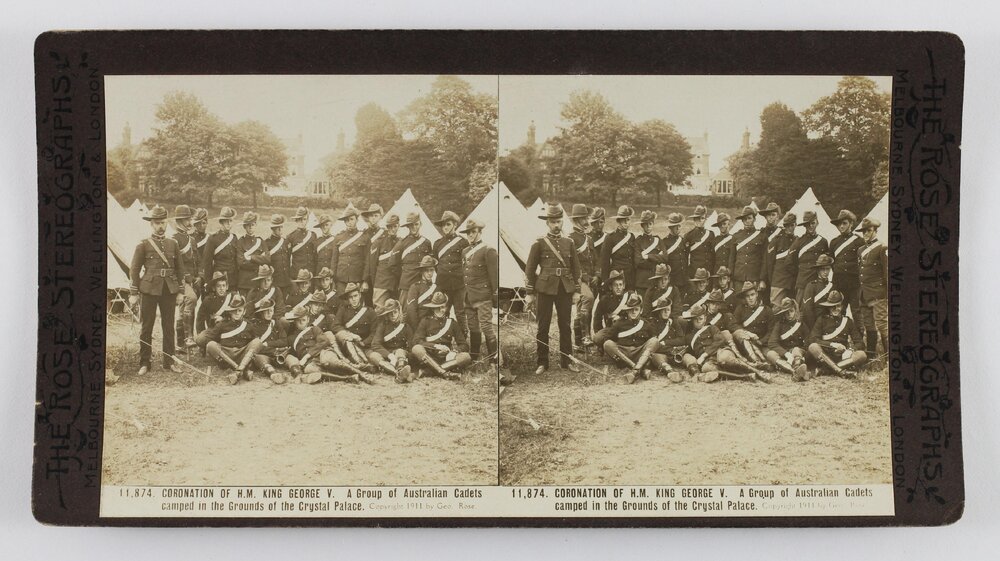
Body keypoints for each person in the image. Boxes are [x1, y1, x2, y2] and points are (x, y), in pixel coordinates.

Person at [129, 204, 186, 375]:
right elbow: (134, 269)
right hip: (148, 290)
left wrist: (181, 291)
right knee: (147, 326)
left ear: (166, 223)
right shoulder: (143, 244)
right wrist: (133, 292)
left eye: (163, 223)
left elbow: (180, 269)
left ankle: (169, 362)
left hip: (169, 290)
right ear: (151, 224)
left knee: (169, 326)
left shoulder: (173, 243)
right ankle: (144, 362)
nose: (160, 226)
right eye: (157, 223)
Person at [524, 204, 582, 375]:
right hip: (544, 289)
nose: (557, 225)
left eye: (559, 221)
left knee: (565, 325)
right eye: (553, 222)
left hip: (565, 288)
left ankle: (567, 360)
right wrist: (529, 292)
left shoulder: (569, 242)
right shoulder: (539, 243)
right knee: (543, 326)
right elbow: (530, 269)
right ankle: (542, 362)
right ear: (547, 223)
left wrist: (577, 290)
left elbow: (576, 269)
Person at [682, 304, 770, 383]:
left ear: (705, 318)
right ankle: (744, 377)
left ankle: (758, 372)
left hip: (721, 351)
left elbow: (719, 341)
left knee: (723, 359)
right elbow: (690, 351)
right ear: (691, 320)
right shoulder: (689, 337)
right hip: (709, 360)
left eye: (700, 318)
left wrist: (704, 354)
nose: (698, 321)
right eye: (695, 319)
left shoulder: (711, 328)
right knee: (706, 368)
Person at [281, 305, 369, 384]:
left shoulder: (314, 329)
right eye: (298, 321)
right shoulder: (291, 338)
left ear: (308, 319)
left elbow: (324, 341)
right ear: (294, 322)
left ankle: (361, 374)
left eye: (303, 320)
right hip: (310, 362)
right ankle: (347, 378)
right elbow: (292, 354)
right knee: (310, 370)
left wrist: (307, 355)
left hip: (323, 353)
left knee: (329, 362)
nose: (301, 323)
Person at [194, 294, 262, 385]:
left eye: (240, 310)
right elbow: (207, 339)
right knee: (211, 345)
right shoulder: (222, 324)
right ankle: (240, 369)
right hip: (226, 355)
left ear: (244, 312)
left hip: (241, 354)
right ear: (230, 312)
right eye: (234, 311)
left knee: (258, 342)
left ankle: (238, 370)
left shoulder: (249, 325)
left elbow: (254, 344)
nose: (237, 313)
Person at [593, 294, 659, 384]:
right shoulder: (619, 323)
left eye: (636, 309)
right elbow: (607, 339)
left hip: (638, 353)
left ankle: (635, 370)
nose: (634, 312)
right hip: (623, 354)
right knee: (608, 344)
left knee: (654, 341)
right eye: (631, 310)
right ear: (627, 311)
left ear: (641, 310)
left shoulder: (646, 324)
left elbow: (652, 340)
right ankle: (640, 368)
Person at [460, 219, 499, 362]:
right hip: (468, 297)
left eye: (473, 232)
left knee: (487, 327)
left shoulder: (488, 250)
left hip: (483, 297)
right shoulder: (465, 251)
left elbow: (494, 277)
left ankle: (493, 362)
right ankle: (474, 359)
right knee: (473, 328)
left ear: (480, 232)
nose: (470, 235)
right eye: (468, 232)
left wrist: (494, 296)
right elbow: (465, 274)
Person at [411, 292, 473, 379]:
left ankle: (428, 372)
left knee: (466, 357)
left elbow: (464, 345)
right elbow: (416, 341)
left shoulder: (452, 323)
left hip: (447, 358)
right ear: (432, 308)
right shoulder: (425, 321)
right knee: (416, 348)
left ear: (446, 307)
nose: (440, 310)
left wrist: (454, 351)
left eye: (442, 307)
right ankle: (445, 373)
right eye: (437, 308)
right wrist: (436, 346)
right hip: (429, 357)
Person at [808, 290, 868, 377]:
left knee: (862, 355)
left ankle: (826, 370)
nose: (836, 309)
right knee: (813, 346)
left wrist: (850, 350)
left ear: (842, 306)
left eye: (838, 306)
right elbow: (813, 339)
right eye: (832, 306)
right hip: (825, 356)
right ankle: (841, 371)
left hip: (842, 357)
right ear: (828, 307)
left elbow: (860, 342)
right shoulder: (821, 319)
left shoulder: (847, 321)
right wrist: (832, 344)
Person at [432, 210, 470, 341]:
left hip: (459, 284)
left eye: (448, 224)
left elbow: (466, 262)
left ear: (455, 224)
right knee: (443, 312)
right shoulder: (437, 244)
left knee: (460, 313)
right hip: (443, 284)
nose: (445, 228)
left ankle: (462, 341)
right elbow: (436, 264)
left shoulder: (463, 242)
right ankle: (444, 339)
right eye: (443, 225)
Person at [857, 217, 888, 355]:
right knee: (869, 325)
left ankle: (889, 357)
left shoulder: (882, 248)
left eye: (868, 231)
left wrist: (887, 294)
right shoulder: (860, 250)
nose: (866, 234)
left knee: (882, 324)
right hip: (864, 294)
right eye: (863, 231)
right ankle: (870, 356)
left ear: (875, 231)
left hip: (878, 293)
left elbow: (887, 273)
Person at [567, 204, 597, 349]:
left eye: (587, 218)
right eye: (584, 218)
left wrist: (596, 273)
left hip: (591, 278)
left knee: (584, 310)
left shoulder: (589, 238)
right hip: (578, 279)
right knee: (588, 299)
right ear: (577, 220)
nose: (587, 221)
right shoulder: (570, 238)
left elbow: (595, 259)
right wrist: (583, 276)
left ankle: (578, 342)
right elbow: (572, 262)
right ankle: (585, 335)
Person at [368, 299, 415, 382]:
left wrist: (406, 357)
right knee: (373, 355)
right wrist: (389, 355)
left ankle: (401, 370)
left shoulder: (406, 327)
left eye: (395, 312)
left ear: (399, 312)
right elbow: (375, 344)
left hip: (402, 357)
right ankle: (398, 374)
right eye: (390, 313)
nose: (393, 315)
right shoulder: (382, 326)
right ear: (387, 315)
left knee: (400, 351)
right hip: (387, 356)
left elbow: (411, 346)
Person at [172, 205, 199, 348]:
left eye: (190, 219)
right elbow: (174, 264)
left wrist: (198, 276)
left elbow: (197, 260)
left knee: (185, 312)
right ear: (181, 220)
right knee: (192, 299)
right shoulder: (174, 239)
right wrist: (186, 277)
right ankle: (188, 336)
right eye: (188, 219)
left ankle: (180, 344)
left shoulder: (191, 239)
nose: (190, 222)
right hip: (181, 280)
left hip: (193, 280)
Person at [764, 297, 810, 380]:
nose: (789, 314)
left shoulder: (801, 325)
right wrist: (786, 354)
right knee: (770, 354)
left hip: (798, 355)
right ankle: (794, 372)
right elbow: (772, 342)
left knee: (796, 349)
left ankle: (797, 369)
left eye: (791, 311)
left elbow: (808, 342)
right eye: (786, 312)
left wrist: (802, 354)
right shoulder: (779, 325)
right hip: (785, 355)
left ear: (795, 311)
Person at [790, 210, 830, 304]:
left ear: (817, 223)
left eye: (813, 223)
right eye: (808, 224)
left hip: (818, 281)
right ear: (804, 225)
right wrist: (800, 272)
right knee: (800, 307)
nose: (811, 226)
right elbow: (790, 262)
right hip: (803, 281)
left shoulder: (823, 242)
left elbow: (826, 262)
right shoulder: (799, 242)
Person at [333, 282, 376, 369]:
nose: (353, 299)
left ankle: (363, 363)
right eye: (350, 297)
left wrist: (363, 343)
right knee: (343, 336)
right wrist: (350, 335)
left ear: (360, 295)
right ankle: (360, 363)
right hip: (348, 345)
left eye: (355, 296)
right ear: (348, 299)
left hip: (364, 345)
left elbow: (375, 332)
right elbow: (335, 326)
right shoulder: (343, 310)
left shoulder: (370, 312)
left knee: (373, 357)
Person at [829, 209, 863, 320]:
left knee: (856, 310)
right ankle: (840, 335)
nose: (842, 226)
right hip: (839, 282)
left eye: (844, 223)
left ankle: (859, 335)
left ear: (851, 224)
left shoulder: (859, 241)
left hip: (854, 282)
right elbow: (832, 262)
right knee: (839, 309)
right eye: (839, 224)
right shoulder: (834, 242)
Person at [731, 281, 774, 365]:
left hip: (762, 343)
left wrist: (761, 341)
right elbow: (733, 325)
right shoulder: (740, 309)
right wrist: (747, 333)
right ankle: (756, 362)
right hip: (746, 344)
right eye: (747, 296)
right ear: (744, 298)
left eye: (752, 295)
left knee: (770, 357)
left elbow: (771, 330)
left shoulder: (766, 310)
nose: (750, 298)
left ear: (757, 294)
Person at [393, 211, 433, 301]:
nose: (414, 227)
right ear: (408, 226)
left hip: (423, 285)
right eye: (411, 225)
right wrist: (404, 275)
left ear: (420, 224)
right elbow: (393, 265)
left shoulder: (426, 243)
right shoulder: (402, 244)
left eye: (416, 224)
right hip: (407, 285)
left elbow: (430, 264)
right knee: (404, 312)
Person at [646, 297, 688, 382]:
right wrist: (671, 349)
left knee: (688, 357)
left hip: (674, 354)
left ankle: (695, 372)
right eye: (663, 310)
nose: (666, 312)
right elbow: (654, 345)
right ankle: (670, 372)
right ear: (659, 311)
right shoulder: (652, 324)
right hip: (663, 354)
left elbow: (682, 340)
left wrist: (666, 342)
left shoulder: (674, 322)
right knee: (656, 357)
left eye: (668, 310)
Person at [248, 297, 288, 384]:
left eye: (271, 310)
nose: (269, 313)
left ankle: (298, 374)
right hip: (265, 355)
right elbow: (257, 347)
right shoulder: (255, 325)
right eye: (266, 311)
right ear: (261, 312)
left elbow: (284, 341)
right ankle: (273, 374)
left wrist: (268, 343)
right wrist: (275, 349)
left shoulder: (276, 323)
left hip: (278, 355)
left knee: (290, 359)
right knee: (260, 359)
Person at [201, 207, 239, 293]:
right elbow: (207, 263)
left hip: (233, 278)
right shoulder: (213, 239)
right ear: (221, 222)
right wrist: (208, 282)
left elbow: (236, 260)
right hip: (219, 278)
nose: (229, 224)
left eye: (230, 221)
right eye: (226, 221)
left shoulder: (234, 238)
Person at [330, 205, 368, 291]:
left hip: (357, 278)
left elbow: (367, 260)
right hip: (341, 279)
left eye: (351, 219)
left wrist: (364, 280)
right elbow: (334, 260)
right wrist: (333, 278)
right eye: (346, 220)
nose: (349, 222)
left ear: (357, 220)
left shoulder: (364, 237)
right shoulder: (338, 238)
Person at [729, 205, 767, 288]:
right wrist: (731, 279)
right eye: (744, 219)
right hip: (739, 278)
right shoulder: (736, 236)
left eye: (749, 218)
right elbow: (732, 259)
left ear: (754, 219)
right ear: (742, 221)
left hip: (754, 278)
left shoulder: (761, 236)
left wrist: (762, 279)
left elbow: (765, 260)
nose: (747, 221)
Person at [369, 213, 401, 308]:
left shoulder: (401, 242)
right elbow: (372, 266)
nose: (392, 229)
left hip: (395, 284)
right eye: (390, 227)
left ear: (398, 226)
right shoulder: (379, 242)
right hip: (381, 283)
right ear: (387, 227)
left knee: (394, 311)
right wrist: (377, 282)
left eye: (395, 226)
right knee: (379, 311)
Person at [600, 205, 636, 289]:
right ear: (619, 221)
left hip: (631, 276)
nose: (626, 222)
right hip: (617, 277)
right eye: (624, 220)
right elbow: (605, 261)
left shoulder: (631, 237)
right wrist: (605, 281)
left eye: (628, 220)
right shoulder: (610, 238)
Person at [766, 212, 798, 306]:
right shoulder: (776, 240)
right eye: (786, 226)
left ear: (795, 225)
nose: (789, 228)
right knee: (776, 308)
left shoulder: (798, 240)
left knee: (791, 309)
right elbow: (770, 263)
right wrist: (773, 280)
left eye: (792, 225)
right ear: (784, 226)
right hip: (778, 281)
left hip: (792, 282)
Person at [236, 211, 271, 292]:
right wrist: (259, 264)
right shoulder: (240, 242)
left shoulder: (261, 241)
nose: (251, 227)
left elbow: (267, 259)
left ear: (255, 225)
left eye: (253, 224)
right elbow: (241, 262)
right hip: (245, 282)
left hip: (258, 281)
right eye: (248, 225)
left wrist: (251, 258)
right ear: (244, 226)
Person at [799, 254, 835, 330]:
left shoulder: (831, 286)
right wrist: (814, 328)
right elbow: (808, 310)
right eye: (823, 269)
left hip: (828, 323)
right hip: (814, 323)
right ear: (818, 270)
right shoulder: (811, 286)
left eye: (827, 269)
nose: (825, 272)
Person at [404, 255, 439, 330]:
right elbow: (411, 311)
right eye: (427, 270)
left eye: (431, 270)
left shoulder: (436, 288)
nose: (429, 273)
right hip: (417, 324)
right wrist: (418, 329)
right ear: (422, 271)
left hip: (431, 325)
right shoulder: (415, 287)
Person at [633, 210, 664, 293]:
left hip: (655, 280)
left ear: (653, 224)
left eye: (650, 224)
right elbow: (638, 262)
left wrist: (648, 257)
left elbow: (665, 258)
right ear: (642, 226)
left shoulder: (658, 240)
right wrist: (656, 259)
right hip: (642, 282)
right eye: (645, 224)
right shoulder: (638, 241)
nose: (648, 226)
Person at [591, 269, 631, 334]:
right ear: (610, 287)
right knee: (598, 338)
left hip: (627, 329)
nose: (618, 287)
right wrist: (599, 332)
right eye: (615, 285)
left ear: (624, 286)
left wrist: (621, 319)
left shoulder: (629, 296)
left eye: (620, 285)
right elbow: (597, 319)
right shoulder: (605, 300)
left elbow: (635, 315)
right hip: (611, 330)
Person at [660, 212, 690, 291]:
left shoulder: (683, 240)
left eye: (679, 226)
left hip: (684, 278)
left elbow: (686, 257)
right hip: (673, 279)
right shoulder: (664, 242)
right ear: (670, 227)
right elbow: (664, 261)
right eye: (675, 226)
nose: (678, 228)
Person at [265, 214, 292, 294]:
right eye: (277, 227)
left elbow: (288, 258)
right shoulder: (267, 243)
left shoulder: (285, 241)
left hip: (286, 279)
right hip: (275, 280)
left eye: (281, 227)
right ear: (272, 228)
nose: (280, 229)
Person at [685, 205, 715, 274]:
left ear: (705, 219)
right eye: (696, 218)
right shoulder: (688, 236)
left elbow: (713, 254)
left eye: (701, 218)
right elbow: (685, 257)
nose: (698, 221)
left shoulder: (710, 234)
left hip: (708, 270)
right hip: (695, 271)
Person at [287, 207, 317, 277]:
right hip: (297, 273)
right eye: (299, 219)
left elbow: (315, 255)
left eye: (304, 219)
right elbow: (287, 259)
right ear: (296, 220)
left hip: (310, 273)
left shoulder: (313, 235)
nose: (302, 222)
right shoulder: (290, 237)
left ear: (307, 220)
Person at [314, 213, 338, 278]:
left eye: (327, 225)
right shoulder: (317, 241)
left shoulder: (335, 240)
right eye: (322, 225)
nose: (325, 227)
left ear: (331, 225)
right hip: (319, 272)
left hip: (331, 272)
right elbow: (315, 259)